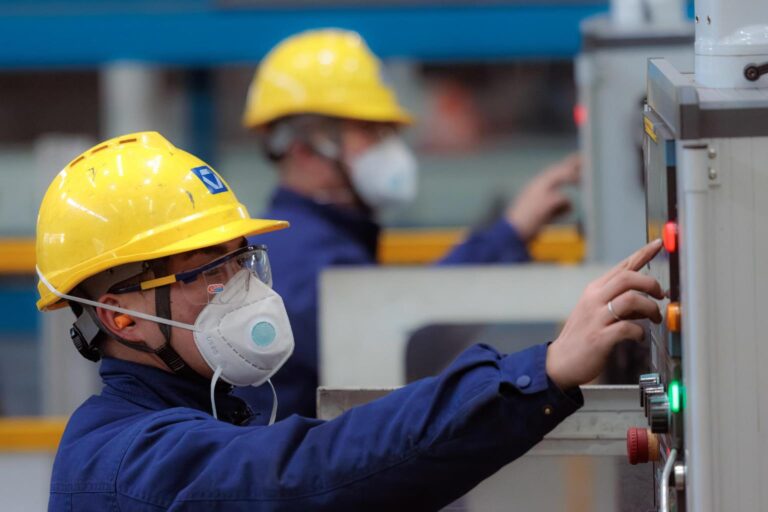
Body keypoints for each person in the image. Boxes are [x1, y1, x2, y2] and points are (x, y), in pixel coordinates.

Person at [38, 132, 663, 511]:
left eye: (239, 261)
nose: (240, 288)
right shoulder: (126, 465)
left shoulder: (218, 410)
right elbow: (313, 471)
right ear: (122, 318)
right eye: (205, 272)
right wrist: (543, 371)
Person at [240, 29, 581, 417]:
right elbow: (408, 343)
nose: (389, 148)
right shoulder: (305, 261)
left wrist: (511, 233)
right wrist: (510, 233)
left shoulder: (315, 242)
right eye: (369, 131)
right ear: (305, 147)